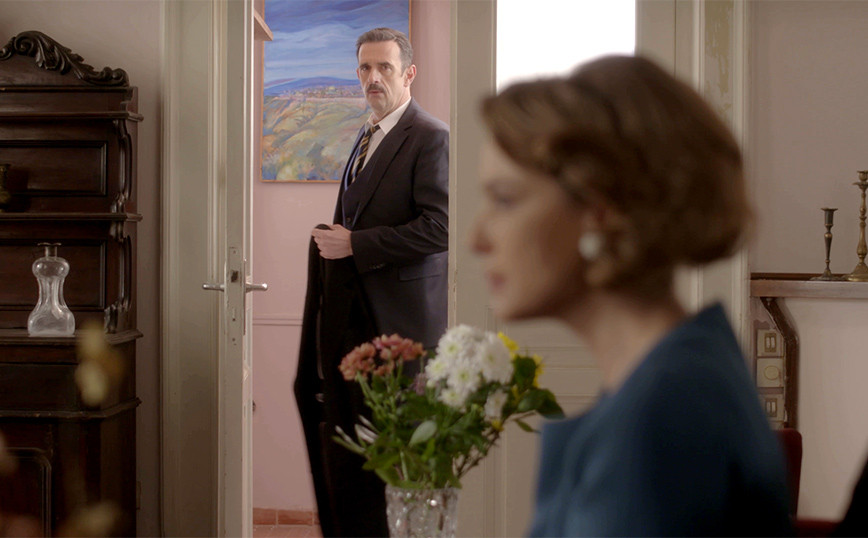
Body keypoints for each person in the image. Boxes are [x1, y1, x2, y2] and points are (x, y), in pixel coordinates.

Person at [470, 55, 792, 536]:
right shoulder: (677, 374)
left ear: (599, 208)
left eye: (504, 199)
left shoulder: (662, 414)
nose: (477, 238)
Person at [296, 27, 448, 537]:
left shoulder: (431, 136)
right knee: (357, 463)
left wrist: (357, 245)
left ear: (409, 73)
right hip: (356, 327)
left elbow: (442, 227)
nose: (373, 77)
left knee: (400, 467)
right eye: (365, 67)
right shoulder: (368, 134)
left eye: (384, 67)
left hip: (404, 329)